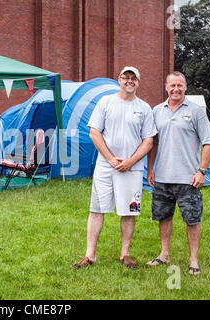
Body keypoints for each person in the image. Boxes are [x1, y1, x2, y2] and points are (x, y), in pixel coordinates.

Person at [73, 66, 157, 269]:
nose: (129, 81)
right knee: (96, 209)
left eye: (133, 78)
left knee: (129, 211)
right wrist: (111, 159)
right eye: (125, 77)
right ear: (119, 79)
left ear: (138, 82)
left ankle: (125, 254)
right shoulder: (105, 102)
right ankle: (89, 255)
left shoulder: (144, 108)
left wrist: (130, 161)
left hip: (132, 168)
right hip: (105, 166)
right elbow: (94, 132)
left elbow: (148, 140)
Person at [146, 71, 210, 275]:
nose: (176, 89)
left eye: (179, 85)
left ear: (185, 87)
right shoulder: (157, 111)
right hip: (162, 177)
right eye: (172, 85)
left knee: (192, 219)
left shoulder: (196, 111)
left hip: (189, 178)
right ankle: (164, 255)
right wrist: (150, 168)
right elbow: (153, 143)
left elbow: (208, 142)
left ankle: (193, 260)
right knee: (163, 217)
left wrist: (201, 171)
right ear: (166, 87)